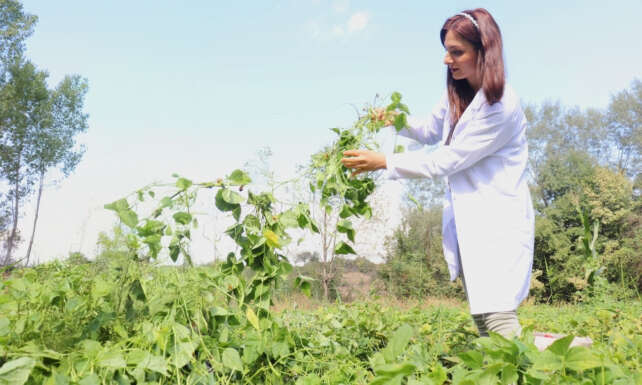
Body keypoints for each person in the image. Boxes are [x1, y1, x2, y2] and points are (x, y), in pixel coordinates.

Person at [341, 8, 533, 339]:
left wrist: (384, 161)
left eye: (456, 52)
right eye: (446, 51)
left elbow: (445, 160)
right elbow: (430, 130)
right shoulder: (458, 91)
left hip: (497, 217)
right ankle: (501, 371)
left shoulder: (500, 106)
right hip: (471, 218)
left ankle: (522, 372)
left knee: (498, 315)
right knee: (483, 314)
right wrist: (393, 119)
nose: (447, 60)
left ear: (484, 51)